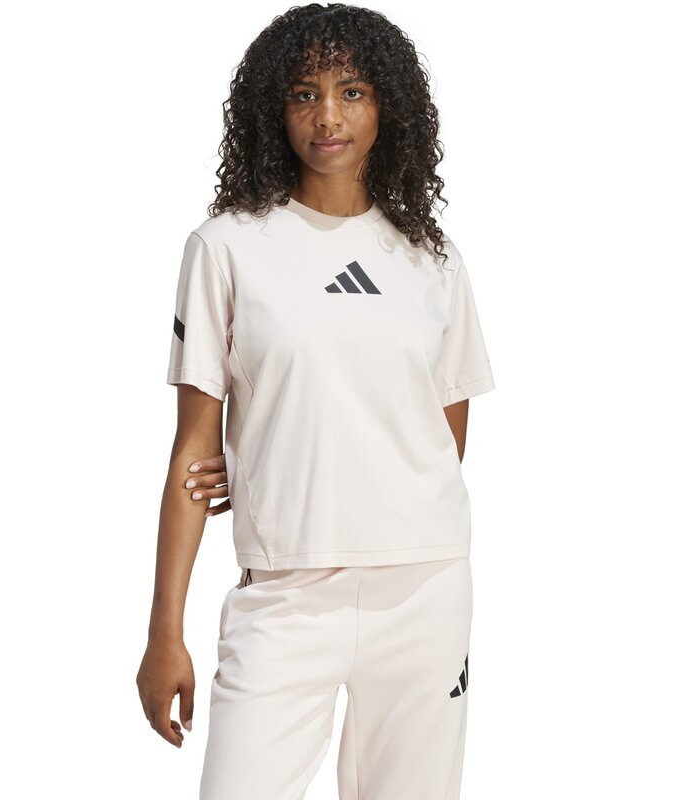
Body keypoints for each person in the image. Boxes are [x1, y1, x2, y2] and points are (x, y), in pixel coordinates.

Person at [136, 4, 496, 798]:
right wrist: (166, 631)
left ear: (387, 105)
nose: (328, 116)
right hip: (284, 594)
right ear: (275, 107)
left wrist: (332, 464)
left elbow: (443, 436)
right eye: (304, 93)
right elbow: (193, 449)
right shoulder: (226, 247)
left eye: (352, 91)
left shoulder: (433, 260)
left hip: (424, 591)